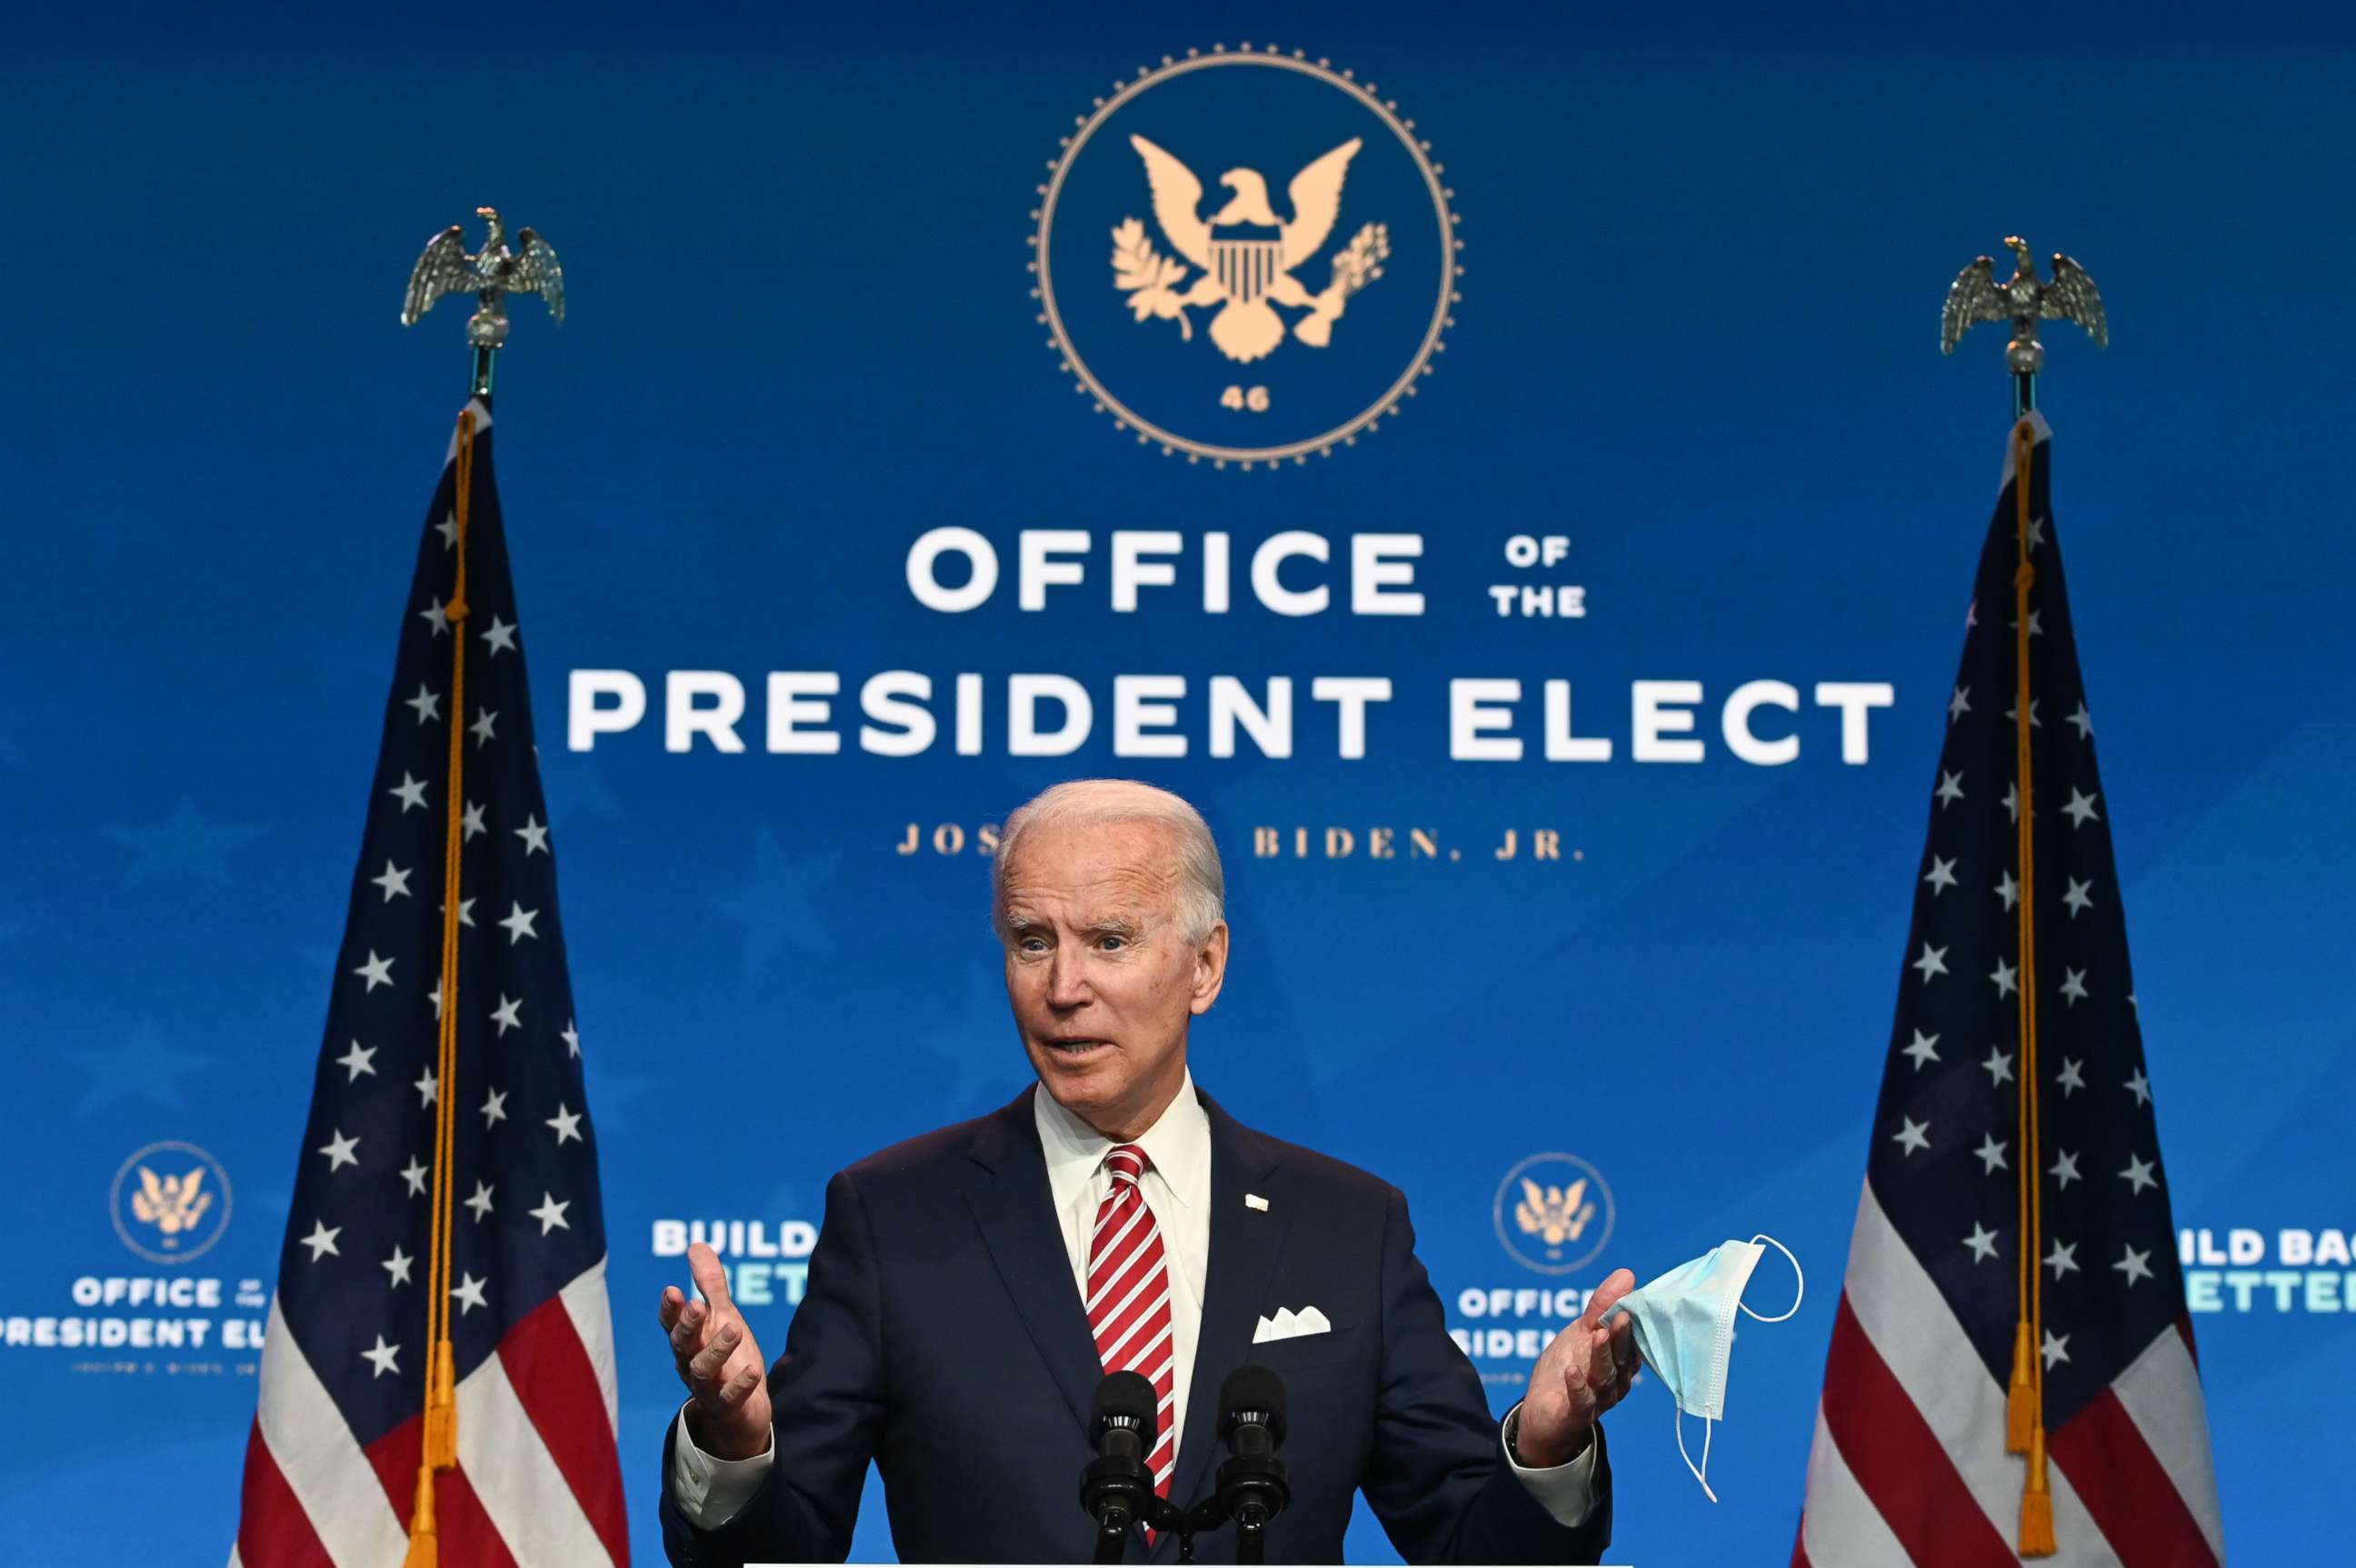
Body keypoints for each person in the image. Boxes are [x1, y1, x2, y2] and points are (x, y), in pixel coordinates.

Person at [657, 779, 1640, 1564]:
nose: (1063, 989)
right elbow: (775, 1557)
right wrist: (735, 1441)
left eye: (1109, 942)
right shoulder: (893, 1217)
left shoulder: (1349, 1226)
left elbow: (1475, 1551)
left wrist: (1544, 1449)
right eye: (1031, 942)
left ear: (1204, 967)